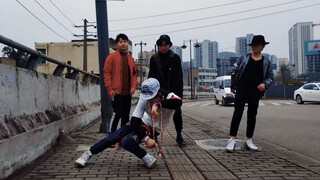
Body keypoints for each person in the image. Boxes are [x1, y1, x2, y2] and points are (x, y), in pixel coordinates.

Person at [75, 78, 182, 168]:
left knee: (127, 142)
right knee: (115, 136)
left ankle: (147, 157)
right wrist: (146, 139)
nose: (148, 101)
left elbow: (178, 102)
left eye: (151, 99)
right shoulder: (144, 98)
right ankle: (88, 154)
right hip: (141, 122)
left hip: (153, 128)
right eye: (147, 99)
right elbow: (135, 120)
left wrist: (158, 105)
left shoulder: (170, 96)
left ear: (159, 93)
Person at [226, 35, 274, 152]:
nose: (254, 47)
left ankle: (249, 139)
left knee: (252, 114)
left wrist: (264, 84)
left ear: (262, 47)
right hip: (242, 88)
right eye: (253, 45)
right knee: (237, 112)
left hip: (255, 90)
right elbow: (233, 70)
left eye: (257, 45)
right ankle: (232, 139)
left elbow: (271, 77)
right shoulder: (244, 58)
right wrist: (233, 85)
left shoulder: (266, 61)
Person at [148, 35, 186, 148]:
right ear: (158, 46)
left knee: (177, 113)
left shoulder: (175, 58)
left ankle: (179, 135)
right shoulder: (154, 59)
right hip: (159, 91)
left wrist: (179, 95)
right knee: (157, 114)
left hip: (173, 91)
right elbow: (151, 78)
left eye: (165, 45)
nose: (163, 47)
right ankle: (154, 135)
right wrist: (153, 94)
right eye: (161, 45)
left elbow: (179, 78)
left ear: (169, 45)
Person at [103, 33, 137, 146]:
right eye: (121, 42)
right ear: (117, 44)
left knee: (126, 115)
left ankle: (122, 138)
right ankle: (111, 137)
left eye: (125, 41)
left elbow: (134, 75)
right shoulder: (111, 57)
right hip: (116, 92)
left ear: (127, 43)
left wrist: (133, 87)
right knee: (117, 114)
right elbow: (106, 73)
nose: (123, 44)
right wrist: (109, 89)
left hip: (127, 92)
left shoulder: (131, 59)